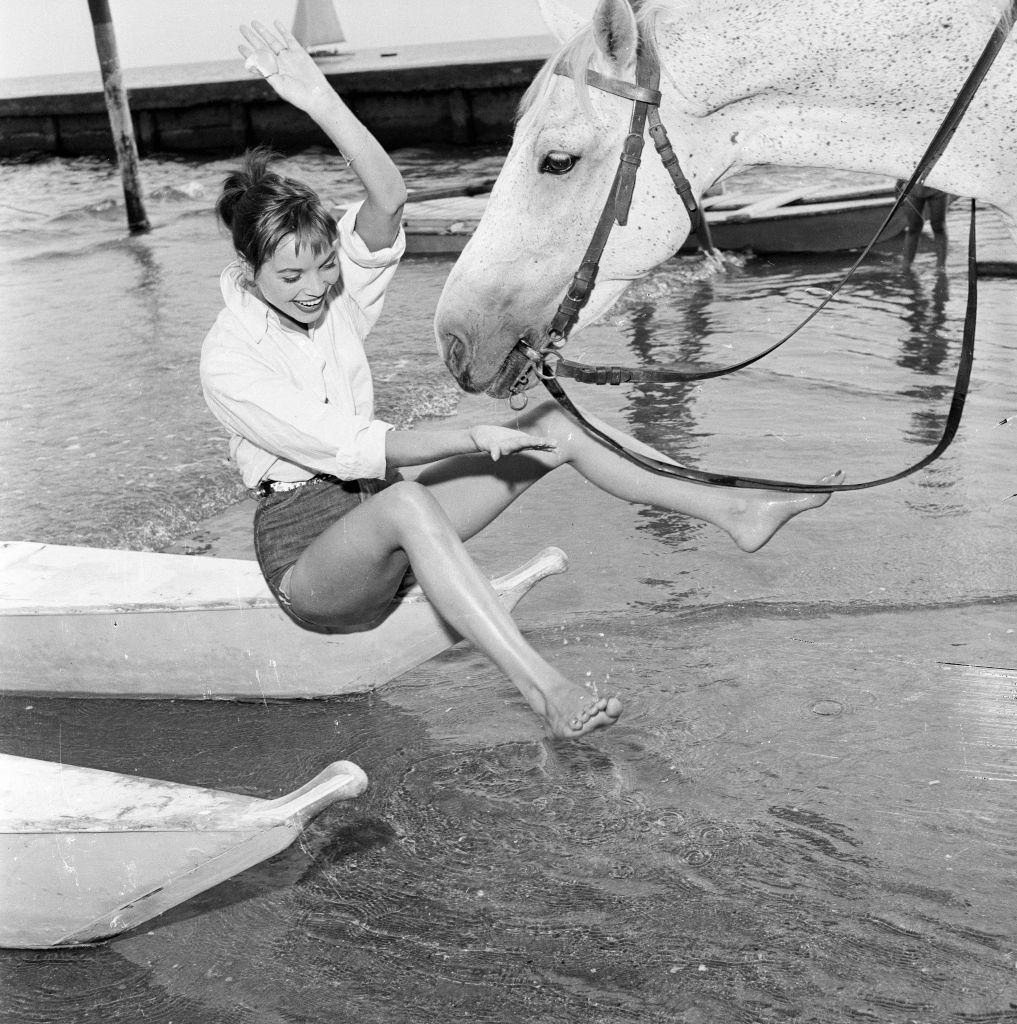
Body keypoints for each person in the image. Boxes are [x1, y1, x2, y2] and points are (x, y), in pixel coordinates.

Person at [201, 20, 843, 741]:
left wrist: (317, 97)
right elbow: (355, 447)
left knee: (553, 428)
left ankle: (735, 510)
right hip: (311, 562)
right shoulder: (230, 360)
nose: (317, 287)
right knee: (407, 501)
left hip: (379, 511)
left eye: (324, 267)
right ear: (248, 273)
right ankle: (545, 691)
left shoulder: (329, 299)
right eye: (291, 276)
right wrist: (471, 434)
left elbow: (387, 199)